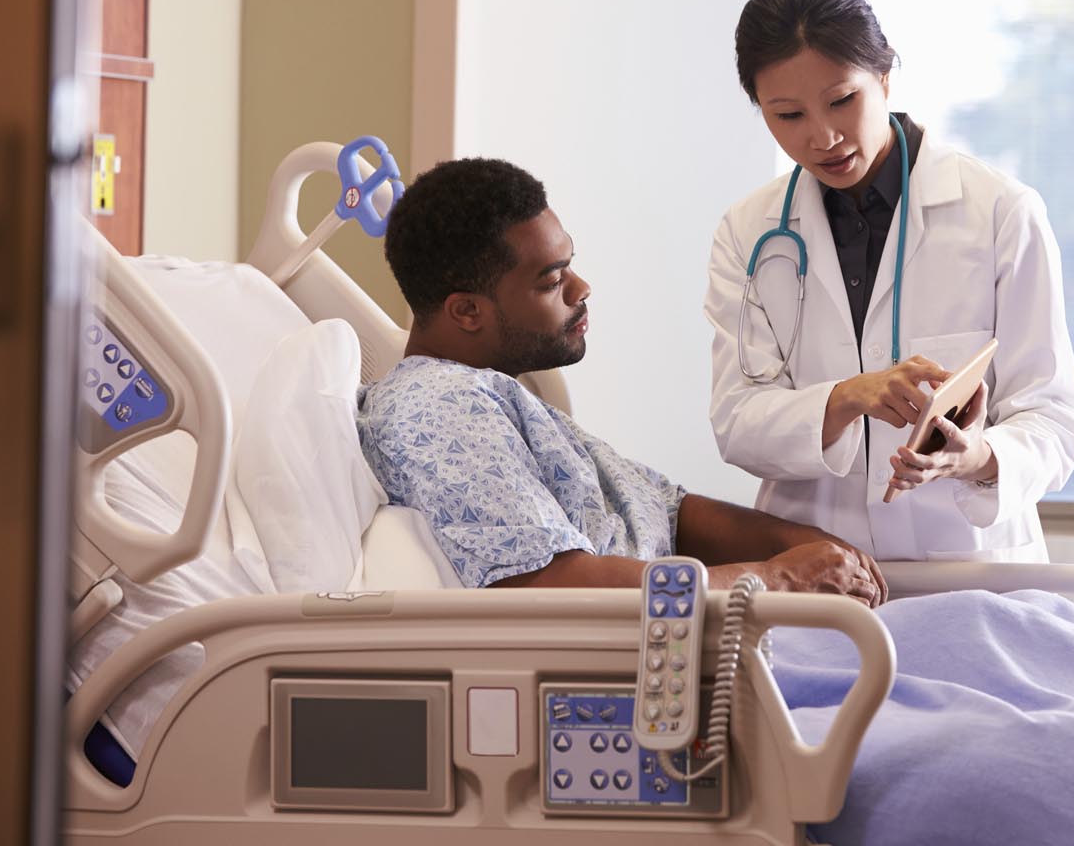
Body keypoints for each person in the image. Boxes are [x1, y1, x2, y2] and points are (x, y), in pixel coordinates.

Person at [357, 156, 888, 604]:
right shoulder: (440, 409)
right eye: (552, 280)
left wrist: (815, 545)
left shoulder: (498, 396)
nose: (581, 288)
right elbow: (552, 584)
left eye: (571, 264)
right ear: (467, 311)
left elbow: (670, 513)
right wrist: (782, 578)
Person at [704, 0, 1074, 562]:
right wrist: (848, 397)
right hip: (819, 574)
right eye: (788, 115)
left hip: (968, 571)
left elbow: (1052, 417)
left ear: (884, 74)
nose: (823, 137)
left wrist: (977, 458)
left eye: (841, 101)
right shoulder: (748, 233)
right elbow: (737, 421)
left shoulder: (1000, 213)